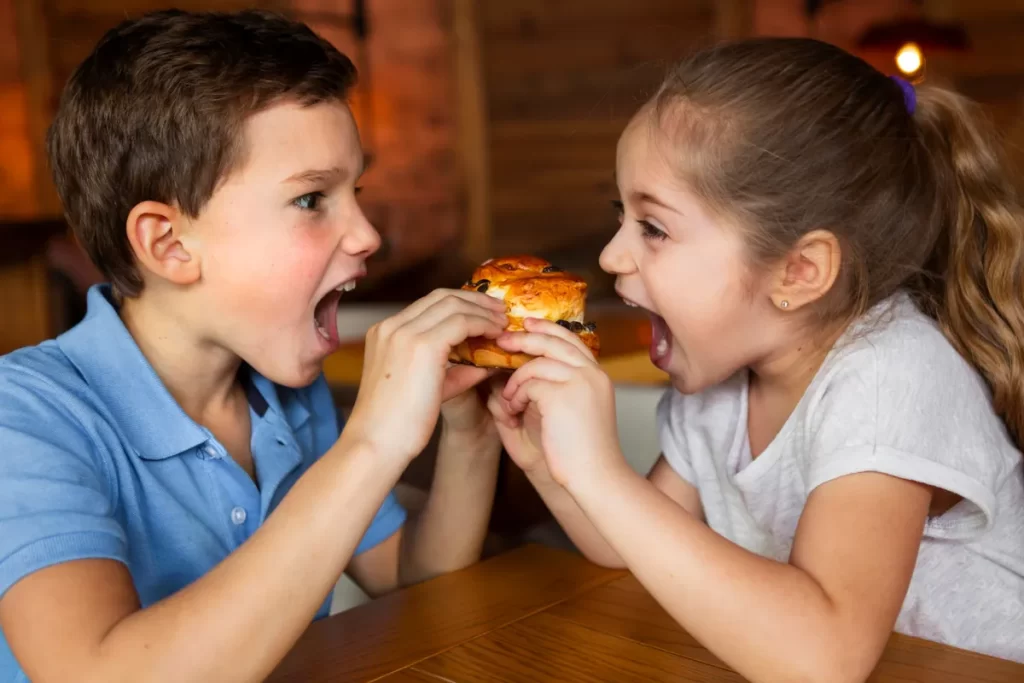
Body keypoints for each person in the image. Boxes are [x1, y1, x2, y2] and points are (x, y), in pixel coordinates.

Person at [488, 37, 1024, 680]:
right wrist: (556, 463)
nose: (610, 256)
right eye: (621, 216)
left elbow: (824, 658)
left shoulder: (892, 377)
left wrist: (601, 475)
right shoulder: (718, 387)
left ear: (798, 272)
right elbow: (627, 546)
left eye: (653, 228)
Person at [0, 10, 505, 683]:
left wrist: (469, 434)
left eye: (353, 191)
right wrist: (371, 443)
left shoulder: (287, 394)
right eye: (310, 200)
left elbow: (409, 577)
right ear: (169, 244)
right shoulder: (24, 418)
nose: (366, 235)